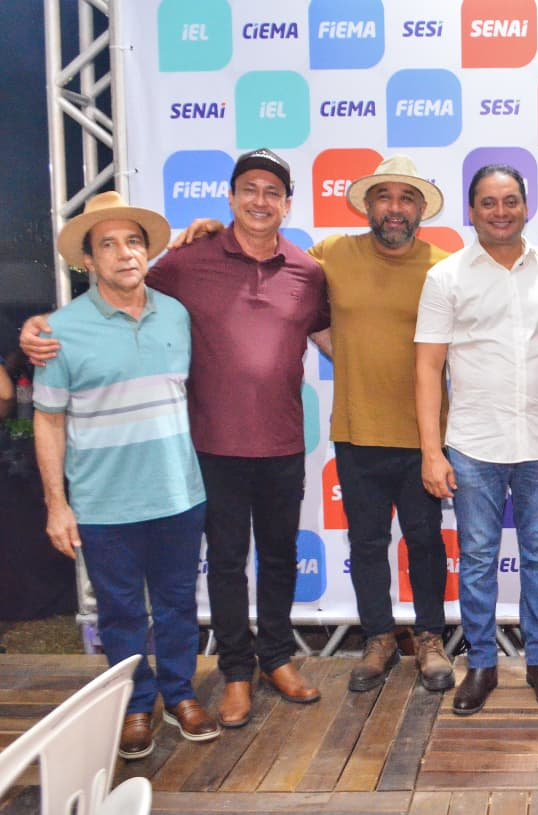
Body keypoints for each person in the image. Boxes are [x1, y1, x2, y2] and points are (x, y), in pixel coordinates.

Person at [23, 148, 330, 728]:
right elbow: (119, 291)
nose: (260, 200)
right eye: (248, 189)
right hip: (210, 447)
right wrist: (39, 327)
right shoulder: (188, 262)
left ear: (288, 204)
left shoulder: (308, 272)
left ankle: (276, 658)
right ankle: (235, 672)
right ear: (230, 197)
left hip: (284, 442)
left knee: (280, 557)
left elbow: (332, 334)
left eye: (272, 191)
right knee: (227, 565)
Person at [171, 155, 456, 694]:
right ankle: (378, 637)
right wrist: (210, 231)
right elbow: (273, 263)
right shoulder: (329, 255)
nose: (395, 208)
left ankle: (430, 638)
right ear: (368, 205)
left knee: (424, 540)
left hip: (425, 434)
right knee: (366, 543)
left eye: (407, 198)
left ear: (422, 209)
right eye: (384, 196)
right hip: (355, 429)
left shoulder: (445, 266)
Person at [32, 191, 219, 759]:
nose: (124, 253)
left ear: (146, 252)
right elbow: (48, 421)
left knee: (178, 606)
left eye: (133, 242)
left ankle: (180, 693)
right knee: (120, 614)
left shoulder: (177, 315)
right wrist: (57, 505)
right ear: (89, 260)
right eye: (108, 245)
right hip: (104, 505)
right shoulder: (59, 332)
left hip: (178, 495)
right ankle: (135, 704)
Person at [414, 164, 538, 715]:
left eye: (510, 201)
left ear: (526, 206)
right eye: (488, 202)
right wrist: (432, 451)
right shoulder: (446, 277)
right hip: (473, 444)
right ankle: (481, 663)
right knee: (479, 559)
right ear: (472, 210)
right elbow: (428, 367)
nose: (500, 212)